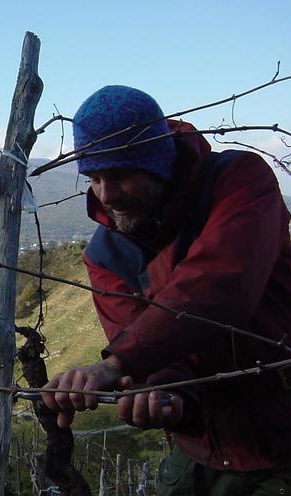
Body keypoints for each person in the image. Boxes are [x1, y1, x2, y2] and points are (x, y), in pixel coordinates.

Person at [41, 85, 290, 495]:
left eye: (119, 175)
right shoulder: (105, 253)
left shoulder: (239, 181)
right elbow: (151, 346)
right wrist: (164, 396)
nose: (106, 195)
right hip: (203, 451)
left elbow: (218, 285)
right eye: (95, 177)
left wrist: (116, 365)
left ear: (157, 162)